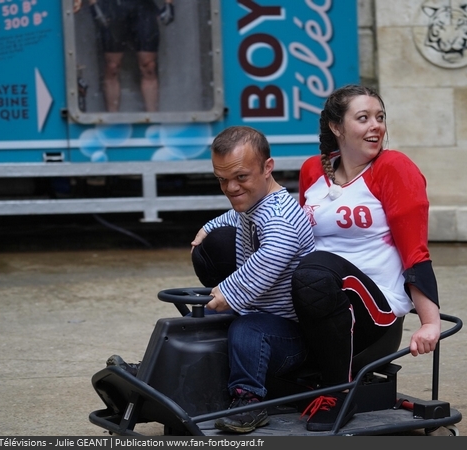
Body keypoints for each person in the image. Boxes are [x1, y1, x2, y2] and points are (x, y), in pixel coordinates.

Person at [109, 126, 315, 434]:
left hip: (293, 333)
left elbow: (272, 254)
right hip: (262, 315)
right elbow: (235, 216)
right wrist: (208, 227)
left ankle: (248, 402)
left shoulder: (280, 216)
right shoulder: (256, 203)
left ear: (267, 168)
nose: (231, 187)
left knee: (246, 329)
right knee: (207, 318)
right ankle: (154, 373)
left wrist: (229, 291)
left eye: (240, 177)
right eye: (222, 179)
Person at [290, 84, 442, 432]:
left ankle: (338, 390)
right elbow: (298, 238)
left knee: (315, 271)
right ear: (336, 127)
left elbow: (415, 250)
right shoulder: (314, 170)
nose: (376, 126)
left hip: (378, 313)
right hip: (320, 299)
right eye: (363, 118)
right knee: (219, 251)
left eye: (380, 117)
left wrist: (430, 322)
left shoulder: (393, 167)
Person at [74, 0, 174, 112]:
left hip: (144, 7)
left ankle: (153, 117)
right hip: (113, 7)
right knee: (112, 66)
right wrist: (94, 4)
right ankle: (112, 119)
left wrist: (168, 4)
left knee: (149, 66)